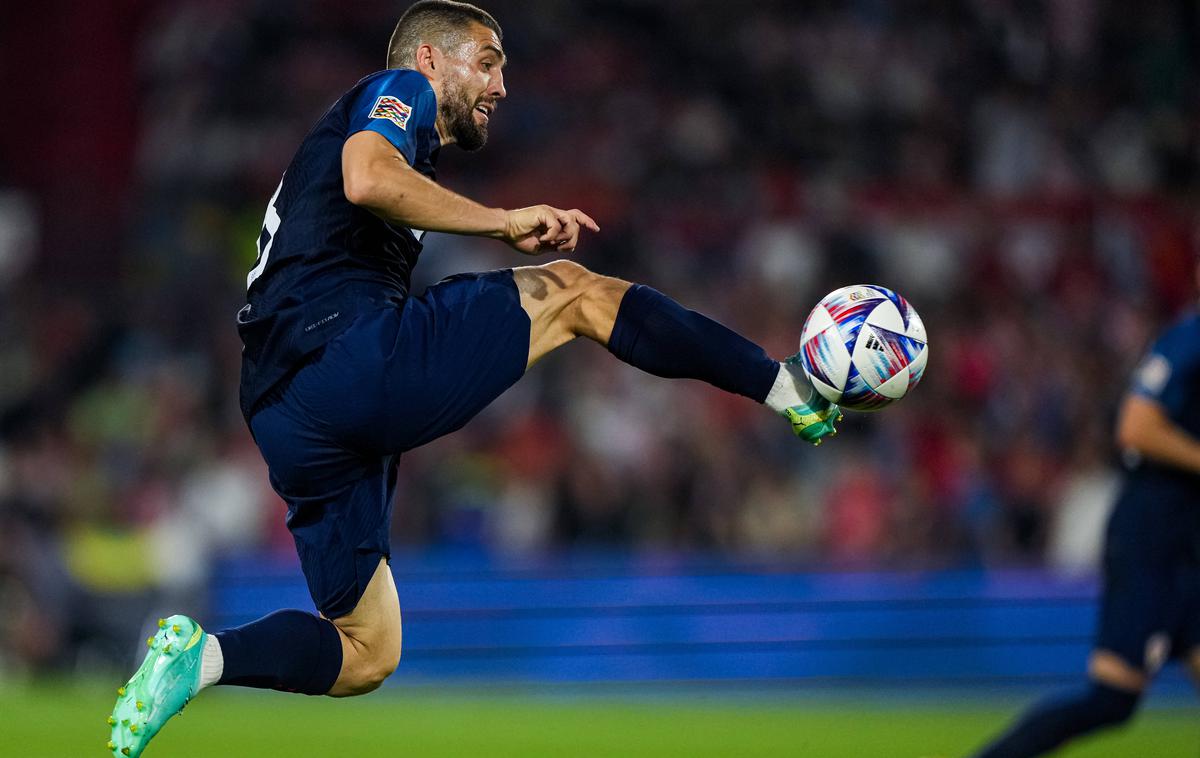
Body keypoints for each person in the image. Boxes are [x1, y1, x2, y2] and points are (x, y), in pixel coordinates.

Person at [105, 2, 842, 755]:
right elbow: (366, 176)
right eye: (487, 63)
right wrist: (501, 220)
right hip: (348, 357)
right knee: (577, 293)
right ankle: (782, 384)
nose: (499, 86)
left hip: (284, 411)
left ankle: (201, 659)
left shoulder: (396, 154)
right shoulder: (399, 89)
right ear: (431, 58)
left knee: (366, 651)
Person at [971, 267, 1200, 757]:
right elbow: (1137, 428)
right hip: (1156, 536)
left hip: (1184, 539)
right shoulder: (1190, 339)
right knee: (1112, 699)